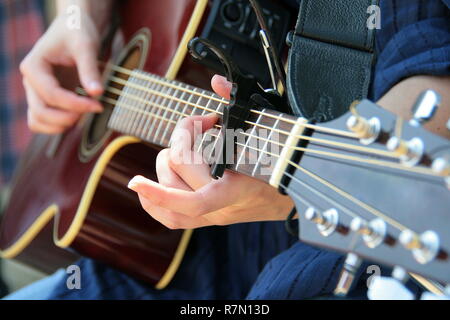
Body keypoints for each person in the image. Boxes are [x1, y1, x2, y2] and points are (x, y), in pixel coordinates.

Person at [5, 0, 450, 299]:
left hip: (311, 266)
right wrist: (78, 16)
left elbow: (428, 70)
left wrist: (291, 192)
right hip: (150, 266)